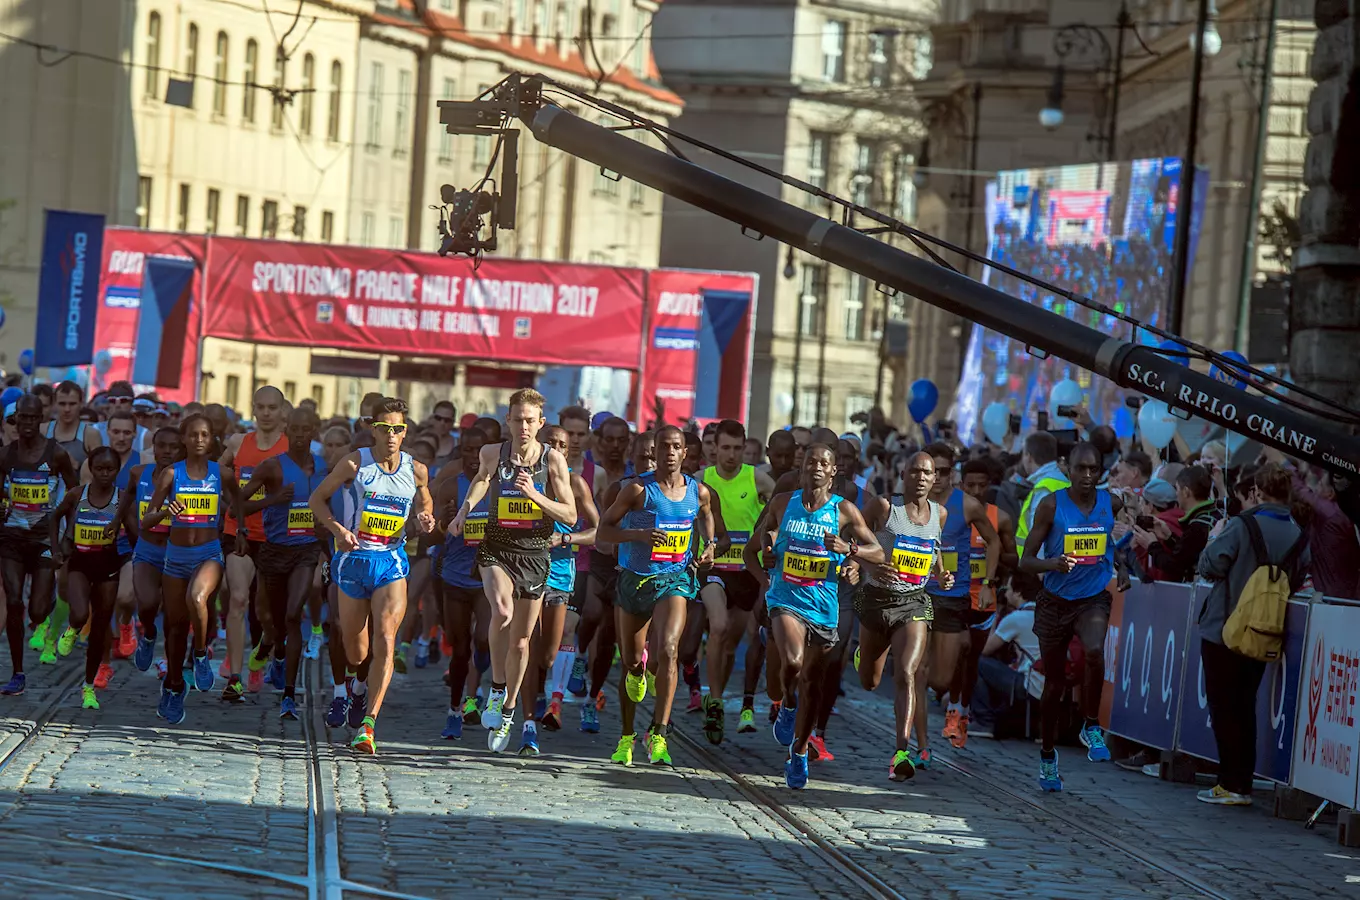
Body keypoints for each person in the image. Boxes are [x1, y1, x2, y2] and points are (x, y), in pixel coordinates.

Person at [745, 442, 881, 789]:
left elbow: (879, 553)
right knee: (792, 662)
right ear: (802, 467)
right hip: (785, 599)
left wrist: (850, 553)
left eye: (824, 463)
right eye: (811, 462)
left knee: (814, 684)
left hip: (823, 607)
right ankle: (787, 705)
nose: (817, 467)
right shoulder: (781, 503)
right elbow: (751, 551)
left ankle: (800, 751)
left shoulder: (845, 511)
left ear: (833, 471)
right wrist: (767, 573)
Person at [451, 389, 578, 753]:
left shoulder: (551, 461)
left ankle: (508, 710)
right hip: (497, 548)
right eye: (516, 419)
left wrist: (535, 496)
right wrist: (464, 510)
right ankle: (494, 688)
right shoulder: (493, 452)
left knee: (522, 640)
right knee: (502, 611)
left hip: (535, 553)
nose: (522, 426)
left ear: (540, 423)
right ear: (507, 420)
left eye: (529, 420)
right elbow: (481, 478)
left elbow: (569, 515)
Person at [309, 397, 435, 754]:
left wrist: (425, 520)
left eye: (398, 428)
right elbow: (317, 500)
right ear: (372, 429)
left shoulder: (417, 470)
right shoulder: (354, 463)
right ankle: (357, 686)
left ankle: (368, 724)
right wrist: (337, 530)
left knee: (386, 637)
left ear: (404, 431)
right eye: (384, 428)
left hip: (391, 562)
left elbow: (425, 505)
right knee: (355, 650)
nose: (391, 435)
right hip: (353, 561)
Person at [598, 425, 715, 766]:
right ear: (655, 451)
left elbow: (708, 519)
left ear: (685, 453)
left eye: (675, 447)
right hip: (635, 581)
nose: (669, 453)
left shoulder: (699, 492)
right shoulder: (637, 490)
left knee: (669, 648)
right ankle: (626, 737)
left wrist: (709, 547)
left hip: (674, 579)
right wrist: (639, 534)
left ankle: (659, 734)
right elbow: (605, 529)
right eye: (663, 446)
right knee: (633, 663)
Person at [1195, 463, 1309, 806]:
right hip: (1266, 628)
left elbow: (1210, 564)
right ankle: (1240, 780)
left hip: (1225, 627)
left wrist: (1215, 539)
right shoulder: (1298, 532)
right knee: (1245, 705)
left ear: (1257, 492)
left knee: (1223, 706)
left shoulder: (1243, 525)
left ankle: (1232, 782)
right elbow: (1301, 575)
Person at [1019, 442, 1129, 792]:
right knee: (1054, 684)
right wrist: (1054, 563)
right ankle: (1048, 757)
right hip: (1055, 601)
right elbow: (1025, 560)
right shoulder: (1051, 505)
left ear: (1101, 471)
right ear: (1067, 469)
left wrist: (1122, 567)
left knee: (1095, 651)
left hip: (1092, 597)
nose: (1086, 476)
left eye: (1093, 469)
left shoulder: (1110, 502)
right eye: (1080, 469)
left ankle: (1091, 725)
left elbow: (1117, 539)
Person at [850, 450, 951, 781]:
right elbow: (856, 540)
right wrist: (862, 564)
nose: (921, 477)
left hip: (914, 603)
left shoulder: (940, 513)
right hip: (876, 601)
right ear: (902, 475)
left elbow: (933, 548)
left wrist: (941, 574)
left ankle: (901, 752)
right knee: (869, 681)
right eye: (915, 471)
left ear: (935, 479)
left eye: (927, 472)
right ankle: (864, 655)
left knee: (907, 673)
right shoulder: (885, 508)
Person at [142, 413, 238, 724]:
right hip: (175, 557)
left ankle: (199, 653)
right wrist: (165, 513)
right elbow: (148, 518)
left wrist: (241, 533)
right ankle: (173, 685)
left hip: (209, 553)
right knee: (174, 626)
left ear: (211, 441)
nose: (198, 440)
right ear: (185, 439)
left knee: (197, 598)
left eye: (204, 435)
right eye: (193, 435)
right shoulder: (171, 474)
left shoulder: (221, 474)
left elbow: (238, 506)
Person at [240, 408, 328, 720]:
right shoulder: (271, 467)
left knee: (293, 615)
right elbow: (239, 503)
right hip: (274, 551)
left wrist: (327, 529)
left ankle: (289, 695)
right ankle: (270, 649)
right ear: (287, 431)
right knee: (270, 618)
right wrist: (271, 501)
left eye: (308, 430)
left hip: (306, 551)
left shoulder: (323, 467)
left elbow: (333, 504)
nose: (302, 435)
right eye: (297, 430)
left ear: (314, 431)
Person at [573, 430, 657, 733]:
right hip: (604, 563)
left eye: (652, 456)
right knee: (592, 614)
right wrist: (617, 544)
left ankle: (593, 697)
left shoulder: (669, 491)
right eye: (643, 455)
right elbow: (603, 531)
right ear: (632, 454)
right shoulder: (620, 487)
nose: (648, 461)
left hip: (635, 571)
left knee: (609, 637)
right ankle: (579, 655)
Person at [521, 424, 597, 755]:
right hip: (525, 571)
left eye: (561, 446)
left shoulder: (576, 484)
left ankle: (549, 697)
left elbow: (597, 531)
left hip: (561, 573)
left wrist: (567, 538)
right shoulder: (525, 479)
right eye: (548, 443)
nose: (554, 450)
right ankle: (526, 716)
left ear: (568, 452)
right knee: (525, 641)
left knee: (549, 650)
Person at [921, 443, 1000, 758]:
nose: (937, 478)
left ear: (951, 472)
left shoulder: (967, 505)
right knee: (914, 669)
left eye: (943, 471)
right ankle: (915, 746)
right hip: (918, 595)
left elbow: (993, 541)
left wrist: (989, 584)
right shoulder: (911, 504)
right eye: (932, 471)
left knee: (939, 680)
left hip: (953, 599)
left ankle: (946, 700)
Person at [698, 419, 774, 744]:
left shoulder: (756, 478)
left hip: (747, 571)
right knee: (718, 627)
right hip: (715, 568)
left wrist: (769, 535)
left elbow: (782, 506)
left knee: (730, 646)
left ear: (745, 448)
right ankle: (715, 700)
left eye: (737, 449)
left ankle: (716, 694)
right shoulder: (702, 479)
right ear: (714, 448)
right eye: (724, 448)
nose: (730, 455)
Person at [0, 395, 79, 694]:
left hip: (46, 539)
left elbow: (75, 496)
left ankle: (42, 621)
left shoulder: (56, 454)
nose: (28, 423)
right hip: (11, 538)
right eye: (23, 417)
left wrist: (68, 536)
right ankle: (18, 673)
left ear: (41, 419)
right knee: (14, 601)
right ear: (15, 420)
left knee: (36, 610)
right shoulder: (5, 455)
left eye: (34, 418)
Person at [50, 446, 137, 709]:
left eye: (110, 469)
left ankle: (88, 687)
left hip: (108, 570)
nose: (104, 474)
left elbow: (134, 534)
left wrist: (139, 558)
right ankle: (72, 629)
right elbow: (53, 518)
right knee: (78, 614)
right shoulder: (77, 495)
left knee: (100, 630)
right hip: (79, 565)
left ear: (117, 470)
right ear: (90, 468)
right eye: (99, 468)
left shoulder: (122, 500)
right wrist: (55, 550)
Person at [218, 385, 287, 698]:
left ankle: (263, 651)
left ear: (282, 410)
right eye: (261, 407)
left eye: (273, 407)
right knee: (238, 599)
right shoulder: (238, 442)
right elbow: (217, 471)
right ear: (254, 408)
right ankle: (234, 674)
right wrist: (226, 499)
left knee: (270, 614)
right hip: (240, 533)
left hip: (275, 537)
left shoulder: (291, 446)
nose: (267, 413)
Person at [949, 457, 1018, 746]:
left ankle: (964, 711)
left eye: (982, 485)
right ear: (961, 485)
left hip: (984, 599)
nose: (976, 490)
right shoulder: (948, 513)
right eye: (970, 485)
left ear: (991, 485)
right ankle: (954, 710)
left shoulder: (999, 517)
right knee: (955, 654)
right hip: (952, 597)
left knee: (972, 659)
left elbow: (1014, 559)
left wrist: (994, 557)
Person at [434, 426, 491, 740]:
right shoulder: (449, 487)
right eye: (467, 450)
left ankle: (480, 675)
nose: (473, 458)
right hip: (454, 577)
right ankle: (454, 709)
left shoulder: (501, 488)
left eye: (479, 450)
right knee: (459, 649)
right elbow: (432, 536)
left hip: (485, 577)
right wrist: (444, 521)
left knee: (482, 639)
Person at [120, 427, 183, 673]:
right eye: (162, 446)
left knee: (173, 612)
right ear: (152, 448)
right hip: (147, 550)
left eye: (174, 446)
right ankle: (148, 634)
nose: (167, 451)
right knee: (146, 604)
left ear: (182, 450)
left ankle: (168, 662)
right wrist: (125, 528)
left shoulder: (189, 480)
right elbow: (126, 504)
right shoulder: (138, 473)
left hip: (176, 551)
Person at [1136, 465, 1222, 583]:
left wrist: (1152, 545)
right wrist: (1169, 537)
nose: (1176, 494)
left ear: (1186, 492)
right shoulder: (1215, 514)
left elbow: (1174, 566)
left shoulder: (1197, 526)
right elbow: (1188, 554)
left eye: (1177, 489)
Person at [46, 381, 102, 470]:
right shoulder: (42, 430)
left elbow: (99, 472)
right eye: (62, 404)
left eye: (72, 404)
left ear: (81, 404)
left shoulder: (91, 435)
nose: (67, 409)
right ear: (54, 404)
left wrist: (77, 466)